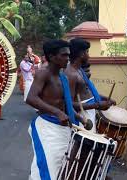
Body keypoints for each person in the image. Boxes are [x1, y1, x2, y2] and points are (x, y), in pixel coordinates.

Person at [26, 39, 82, 180]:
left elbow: (64, 104)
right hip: (46, 126)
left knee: (58, 166)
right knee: (47, 165)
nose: (68, 58)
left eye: (68, 55)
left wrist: (80, 118)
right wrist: (56, 112)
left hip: (62, 128)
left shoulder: (63, 77)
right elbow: (31, 98)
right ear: (51, 57)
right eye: (64, 55)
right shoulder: (43, 73)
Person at [64, 38, 116, 132]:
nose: (89, 55)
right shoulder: (71, 74)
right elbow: (69, 104)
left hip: (88, 111)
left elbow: (87, 91)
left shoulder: (79, 70)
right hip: (82, 117)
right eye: (87, 52)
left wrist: (105, 98)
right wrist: (97, 105)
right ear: (81, 54)